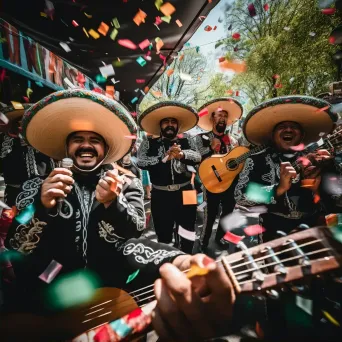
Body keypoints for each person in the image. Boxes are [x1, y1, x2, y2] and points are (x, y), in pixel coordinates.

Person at [0, 90, 237, 342]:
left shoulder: (126, 184)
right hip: (44, 306)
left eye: (95, 140)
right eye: (77, 139)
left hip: (109, 302)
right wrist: (41, 205)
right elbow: (18, 248)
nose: (86, 145)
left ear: (105, 149)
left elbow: (133, 237)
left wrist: (176, 260)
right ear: (67, 147)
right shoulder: (37, 186)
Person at [235, 95, 337, 242]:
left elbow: (335, 198)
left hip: (313, 229)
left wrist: (321, 180)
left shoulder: (315, 159)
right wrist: (279, 188)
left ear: (302, 135)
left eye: (294, 127)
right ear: (273, 135)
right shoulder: (256, 160)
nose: (288, 129)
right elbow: (240, 196)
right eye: (282, 127)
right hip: (273, 229)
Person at [137, 102, 201, 253]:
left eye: (173, 121)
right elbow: (141, 161)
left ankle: (186, 259)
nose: (170, 125)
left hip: (187, 191)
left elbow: (198, 156)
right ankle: (167, 261)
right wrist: (163, 158)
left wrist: (182, 155)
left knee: (188, 229)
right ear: (160, 125)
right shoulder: (149, 142)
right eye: (166, 122)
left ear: (178, 125)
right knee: (163, 233)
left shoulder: (187, 139)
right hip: (160, 193)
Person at [194, 98, 243, 251]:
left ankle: (220, 237)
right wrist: (210, 149)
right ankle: (203, 240)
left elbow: (237, 162)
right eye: (219, 115)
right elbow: (196, 158)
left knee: (227, 212)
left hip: (230, 183)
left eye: (224, 117)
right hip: (211, 183)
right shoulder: (201, 138)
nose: (222, 119)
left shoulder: (233, 140)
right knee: (210, 214)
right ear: (212, 118)